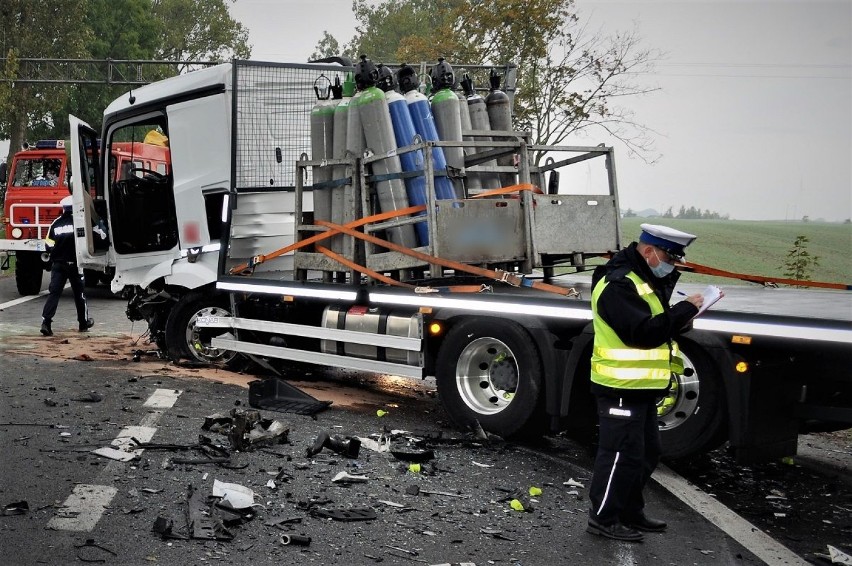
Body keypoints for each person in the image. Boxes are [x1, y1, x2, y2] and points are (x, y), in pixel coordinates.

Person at [586, 223, 705, 542]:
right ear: (649, 251)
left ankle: (629, 511)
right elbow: (642, 333)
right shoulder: (618, 284)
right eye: (670, 256)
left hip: (641, 388)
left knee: (645, 453)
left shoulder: (643, 279)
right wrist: (684, 310)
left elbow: (654, 322)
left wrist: (680, 315)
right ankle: (603, 518)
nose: (673, 264)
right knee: (619, 455)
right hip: (620, 388)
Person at [40, 196, 95, 336]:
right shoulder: (80, 223)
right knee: (80, 294)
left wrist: (56, 253)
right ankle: (83, 323)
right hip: (75, 264)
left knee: (54, 293)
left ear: (63, 208)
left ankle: (46, 322)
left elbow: (48, 244)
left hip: (58, 264)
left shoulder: (56, 223)